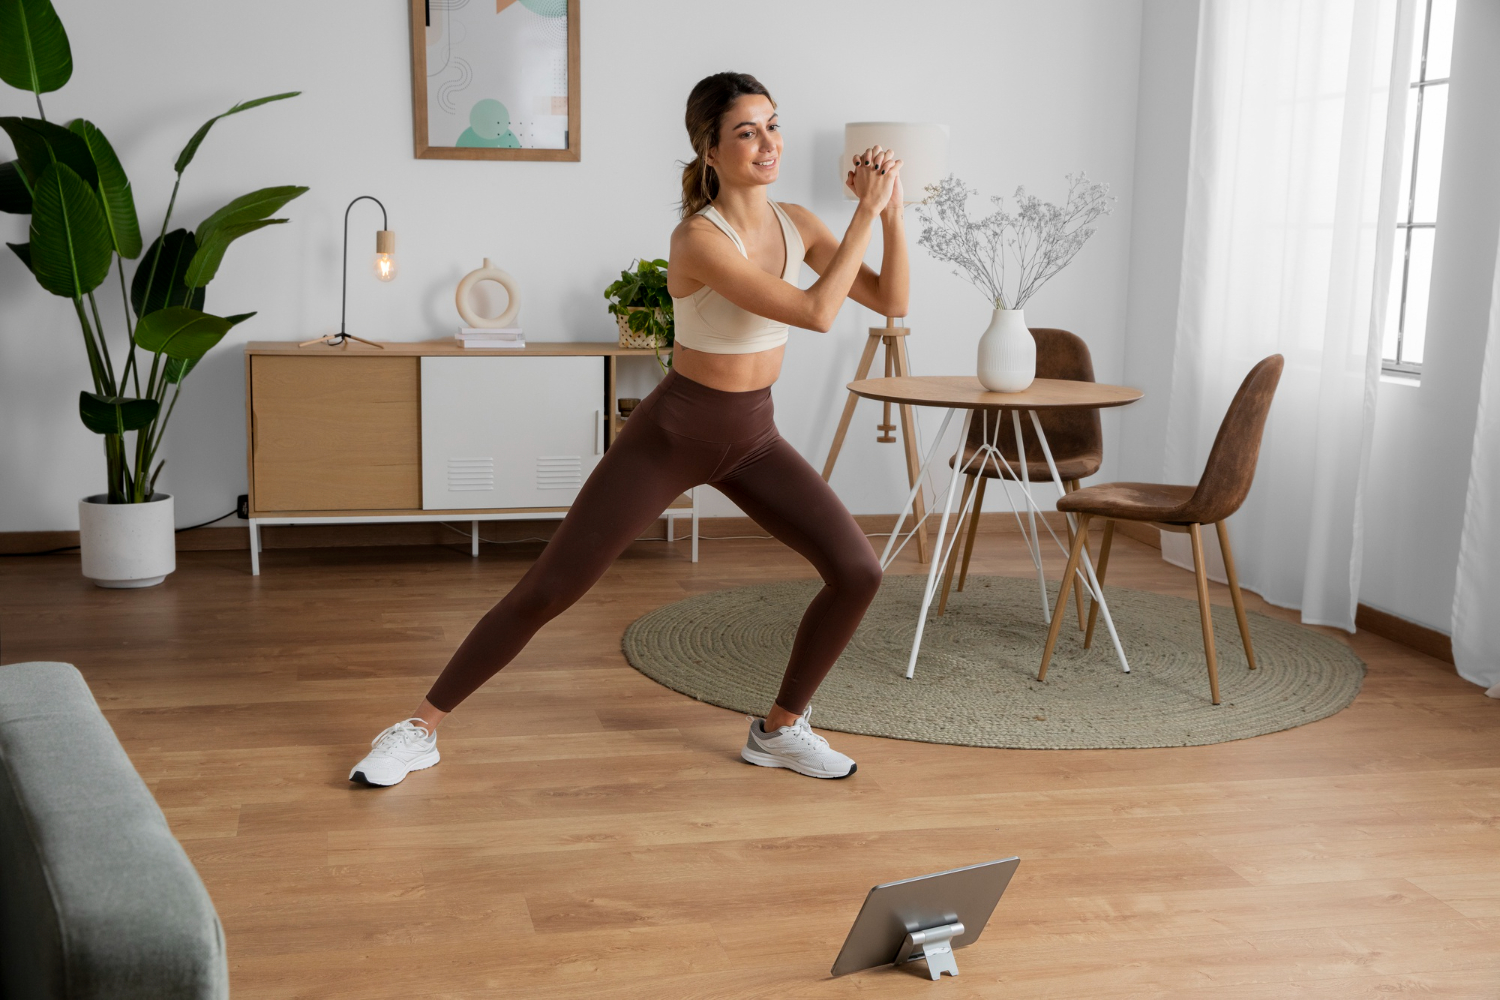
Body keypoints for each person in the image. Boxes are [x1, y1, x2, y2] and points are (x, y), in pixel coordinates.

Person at [350, 70, 909, 786]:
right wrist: (863, 211)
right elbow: (817, 313)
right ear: (709, 149)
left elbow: (890, 299)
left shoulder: (797, 223)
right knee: (551, 588)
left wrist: (888, 211)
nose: (767, 142)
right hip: (673, 434)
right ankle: (418, 729)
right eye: (746, 131)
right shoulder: (698, 239)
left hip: (754, 436)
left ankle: (780, 728)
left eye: (772, 124)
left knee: (858, 571)